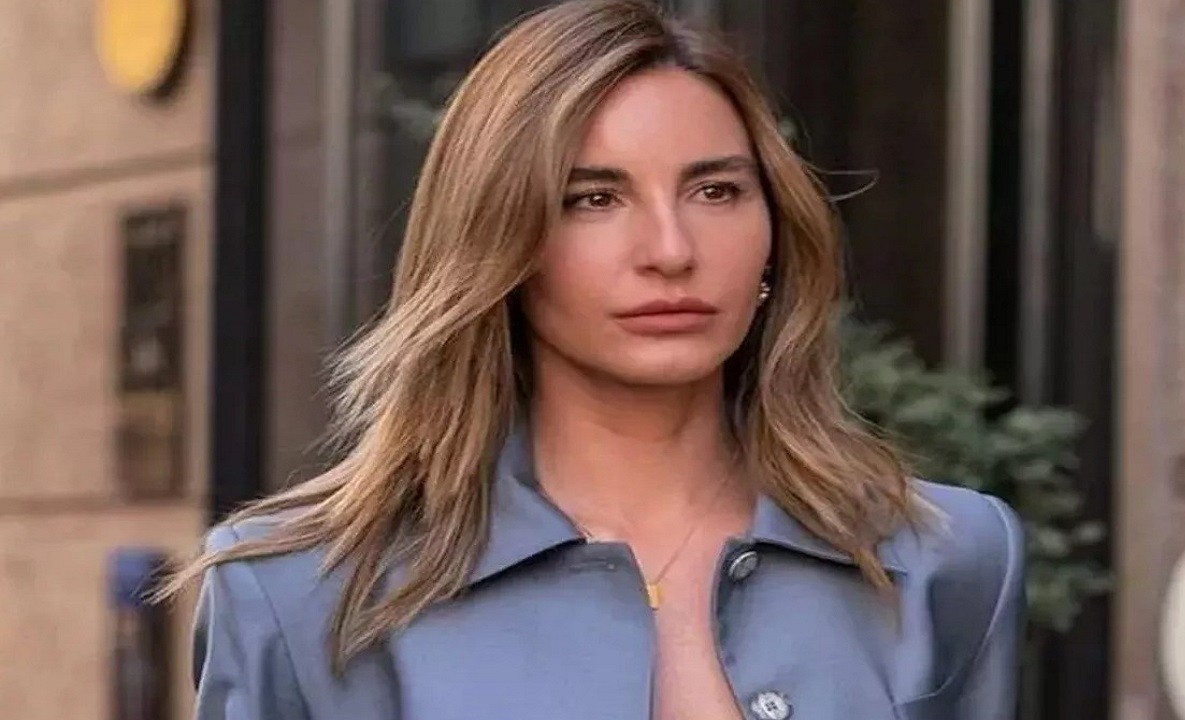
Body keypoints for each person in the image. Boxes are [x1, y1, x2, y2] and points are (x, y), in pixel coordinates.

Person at [169, 1, 1025, 718]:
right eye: (593, 198)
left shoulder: (943, 560)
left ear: (774, 232)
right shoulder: (301, 592)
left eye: (716, 191)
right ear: (499, 244)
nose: (671, 250)